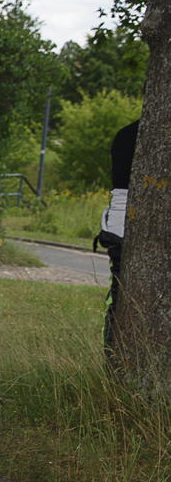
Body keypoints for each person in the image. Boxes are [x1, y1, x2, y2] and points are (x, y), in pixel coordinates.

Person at [97, 118, 139, 356]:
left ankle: (114, 352)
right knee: (121, 295)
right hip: (124, 223)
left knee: (119, 294)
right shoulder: (137, 134)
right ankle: (114, 353)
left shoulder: (128, 133)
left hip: (119, 222)